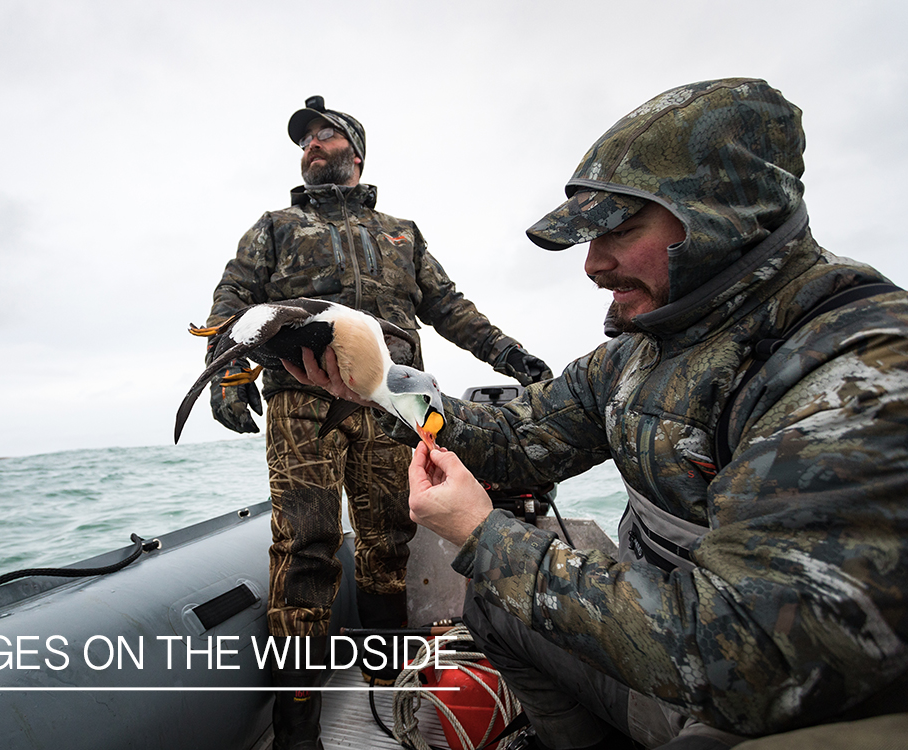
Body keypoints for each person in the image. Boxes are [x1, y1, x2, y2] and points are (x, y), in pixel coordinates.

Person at [285, 78, 908, 749]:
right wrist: (381, 389)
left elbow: (749, 664)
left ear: (722, 217)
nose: (592, 265)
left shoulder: (854, 371)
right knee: (494, 601)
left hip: (765, 701)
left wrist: (483, 534)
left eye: (619, 230)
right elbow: (518, 438)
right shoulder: (639, 352)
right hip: (670, 648)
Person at [202, 95, 550, 749]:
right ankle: (297, 727)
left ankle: (389, 676)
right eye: (302, 139)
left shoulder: (402, 233)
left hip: (391, 402)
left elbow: (450, 308)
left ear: (354, 153)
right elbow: (233, 300)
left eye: (322, 135)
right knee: (303, 549)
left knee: (387, 544)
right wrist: (227, 371)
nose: (309, 145)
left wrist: (512, 356)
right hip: (299, 400)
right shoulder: (274, 226)